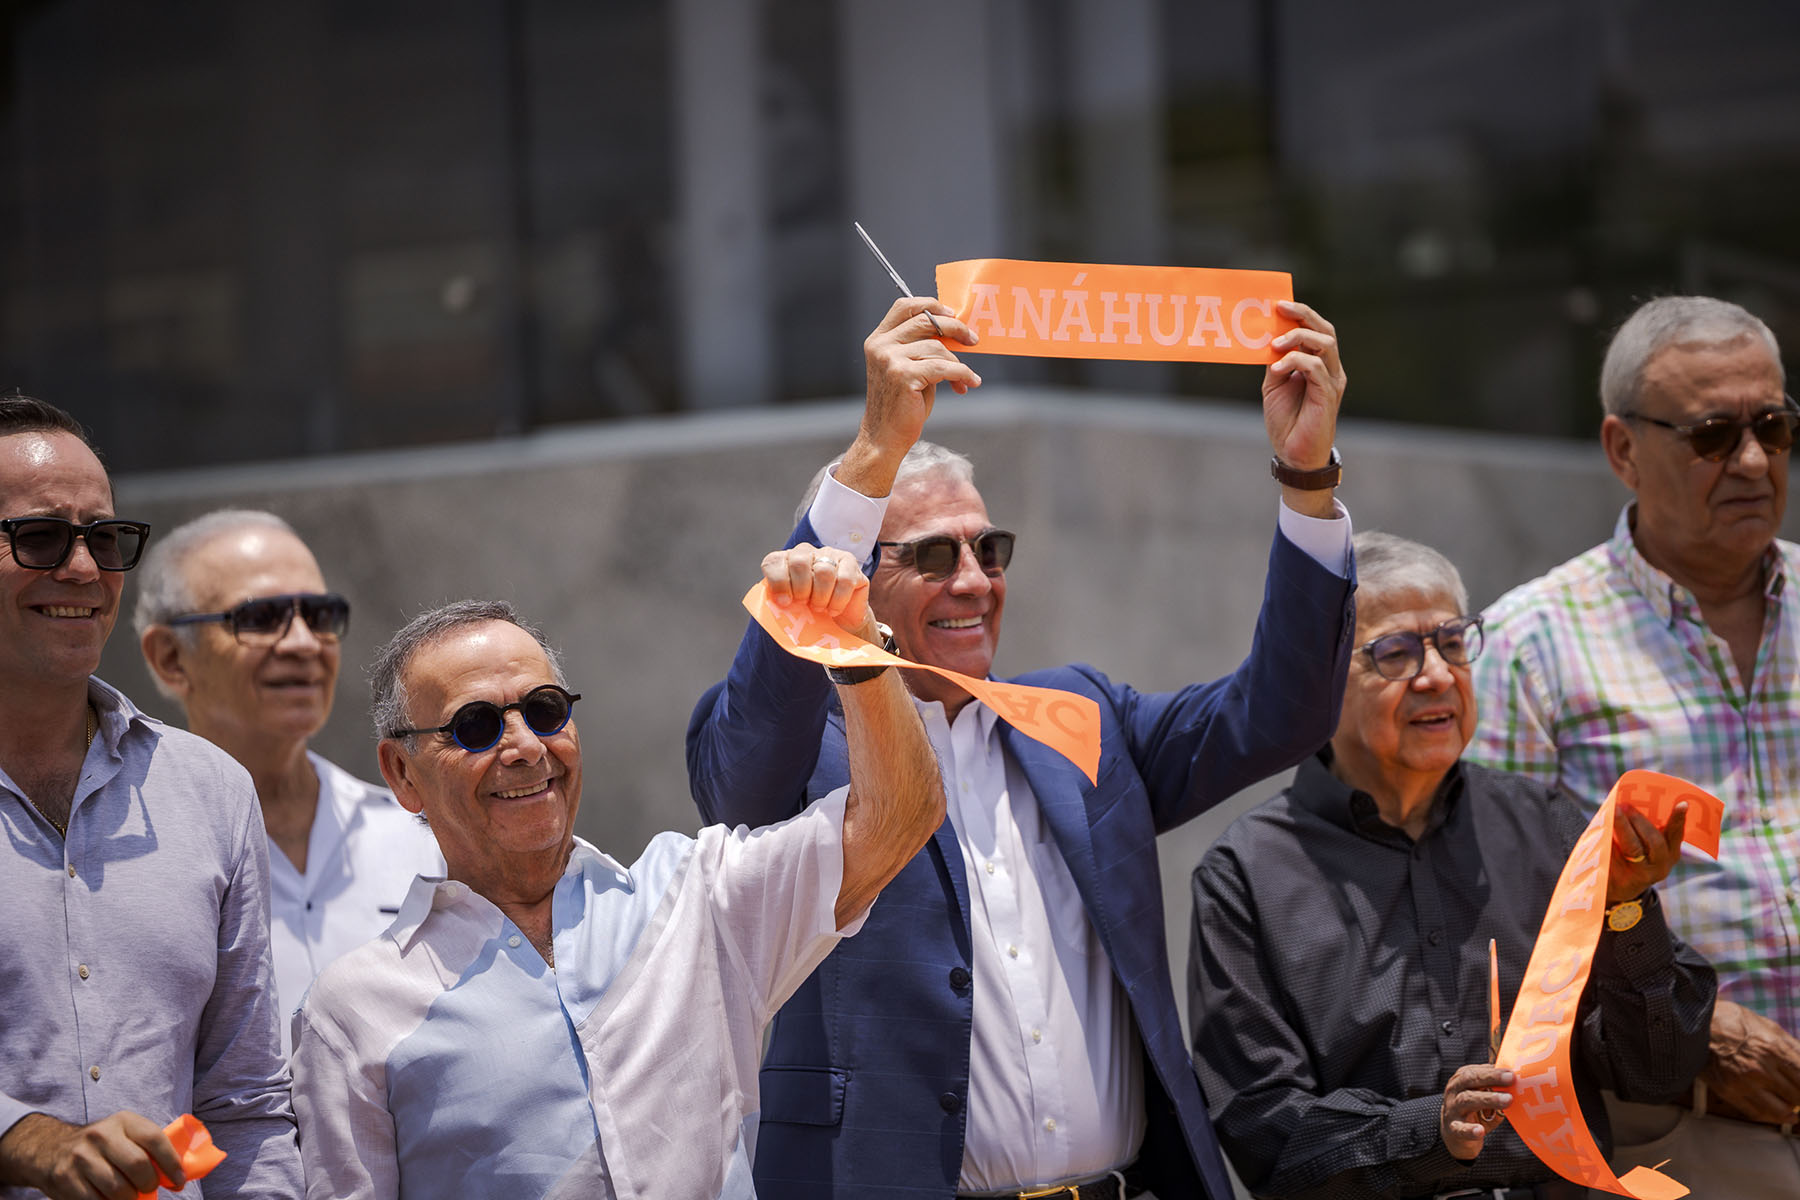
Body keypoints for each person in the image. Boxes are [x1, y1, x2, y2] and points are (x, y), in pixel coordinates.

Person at [687, 296, 1357, 1199]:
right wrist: (873, 455)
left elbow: (1283, 713)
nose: (974, 581)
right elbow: (744, 770)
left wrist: (1307, 481)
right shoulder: (800, 752)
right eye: (933, 557)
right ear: (856, 578)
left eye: (989, 549)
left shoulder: (1078, 715)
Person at [290, 583, 945, 1200]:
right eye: (477, 726)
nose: (526, 747)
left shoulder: (699, 899)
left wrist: (858, 648)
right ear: (402, 773)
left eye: (545, 710)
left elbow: (898, 819)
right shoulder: (355, 1010)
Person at [1189, 531, 1716, 1200]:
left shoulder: (1546, 826)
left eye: (1452, 643)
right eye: (1396, 653)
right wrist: (1429, 1133)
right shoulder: (1246, 875)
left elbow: (1655, 1073)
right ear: (1315, 680)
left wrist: (1628, 909)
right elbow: (1264, 1131)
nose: (1437, 674)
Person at [1468, 296, 1800, 1192]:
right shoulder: (1531, 647)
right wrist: (1691, 1026)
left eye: (1772, 426)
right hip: (1688, 1132)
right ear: (1623, 450)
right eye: (1712, 435)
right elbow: (1497, 927)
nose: (1754, 461)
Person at [0, 396, 302, 1200]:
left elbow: (244, 1106)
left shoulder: (211, 790)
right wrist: (24, 1139)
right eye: (39, 537)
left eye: (103, 538)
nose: (83, 570)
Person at [135, 510, 444, 1053]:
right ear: (171, 658)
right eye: (261, 617)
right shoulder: (132, 858)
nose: (304, 642)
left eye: (320, 615)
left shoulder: (419, 833)